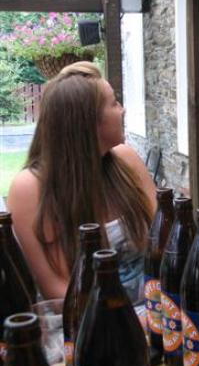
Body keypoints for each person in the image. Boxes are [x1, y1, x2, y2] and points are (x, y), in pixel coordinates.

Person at [7, 62, 156, 304]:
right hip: (91, 324)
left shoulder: (126, 159)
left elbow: (164, 240)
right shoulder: (29, 189)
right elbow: (54, 288)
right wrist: (119, 322)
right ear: (87, 122)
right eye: (114, 103)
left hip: (157, 311)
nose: (123, 109)